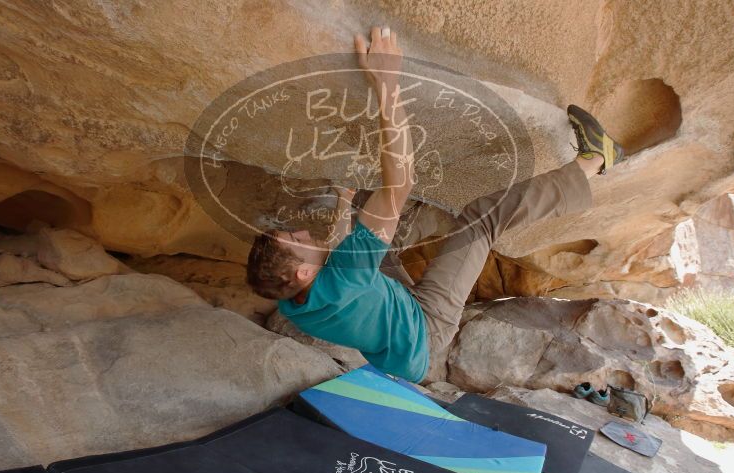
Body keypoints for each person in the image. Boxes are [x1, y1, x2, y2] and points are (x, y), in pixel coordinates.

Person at [246, 26, 624, 384]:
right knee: (480, 220)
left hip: (394, 337)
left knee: (368, 223)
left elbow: (345, 260)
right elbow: (400, 184)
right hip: (427, 329)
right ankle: (596, 160)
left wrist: (345, 200)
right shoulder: (346, 276)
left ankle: (397, 227)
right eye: (296, 239)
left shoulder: (293, 305)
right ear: (302, 274)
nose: (301, 231)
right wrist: (386, 83)